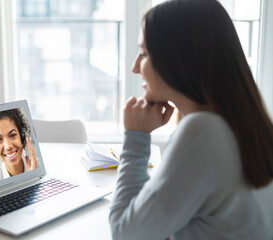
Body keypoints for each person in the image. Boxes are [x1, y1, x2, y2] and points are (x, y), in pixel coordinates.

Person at [109, 1, 273, 240]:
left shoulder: (204, 130)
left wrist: (136, 136)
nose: (135, 67)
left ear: (179, 58)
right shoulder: (241, 122)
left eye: (144, 53)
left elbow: (125, 234)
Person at [0, 109, 38, 183]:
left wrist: (33, 180)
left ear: (21, 136)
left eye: (12, 135)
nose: (8, 146)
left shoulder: (39, 168)